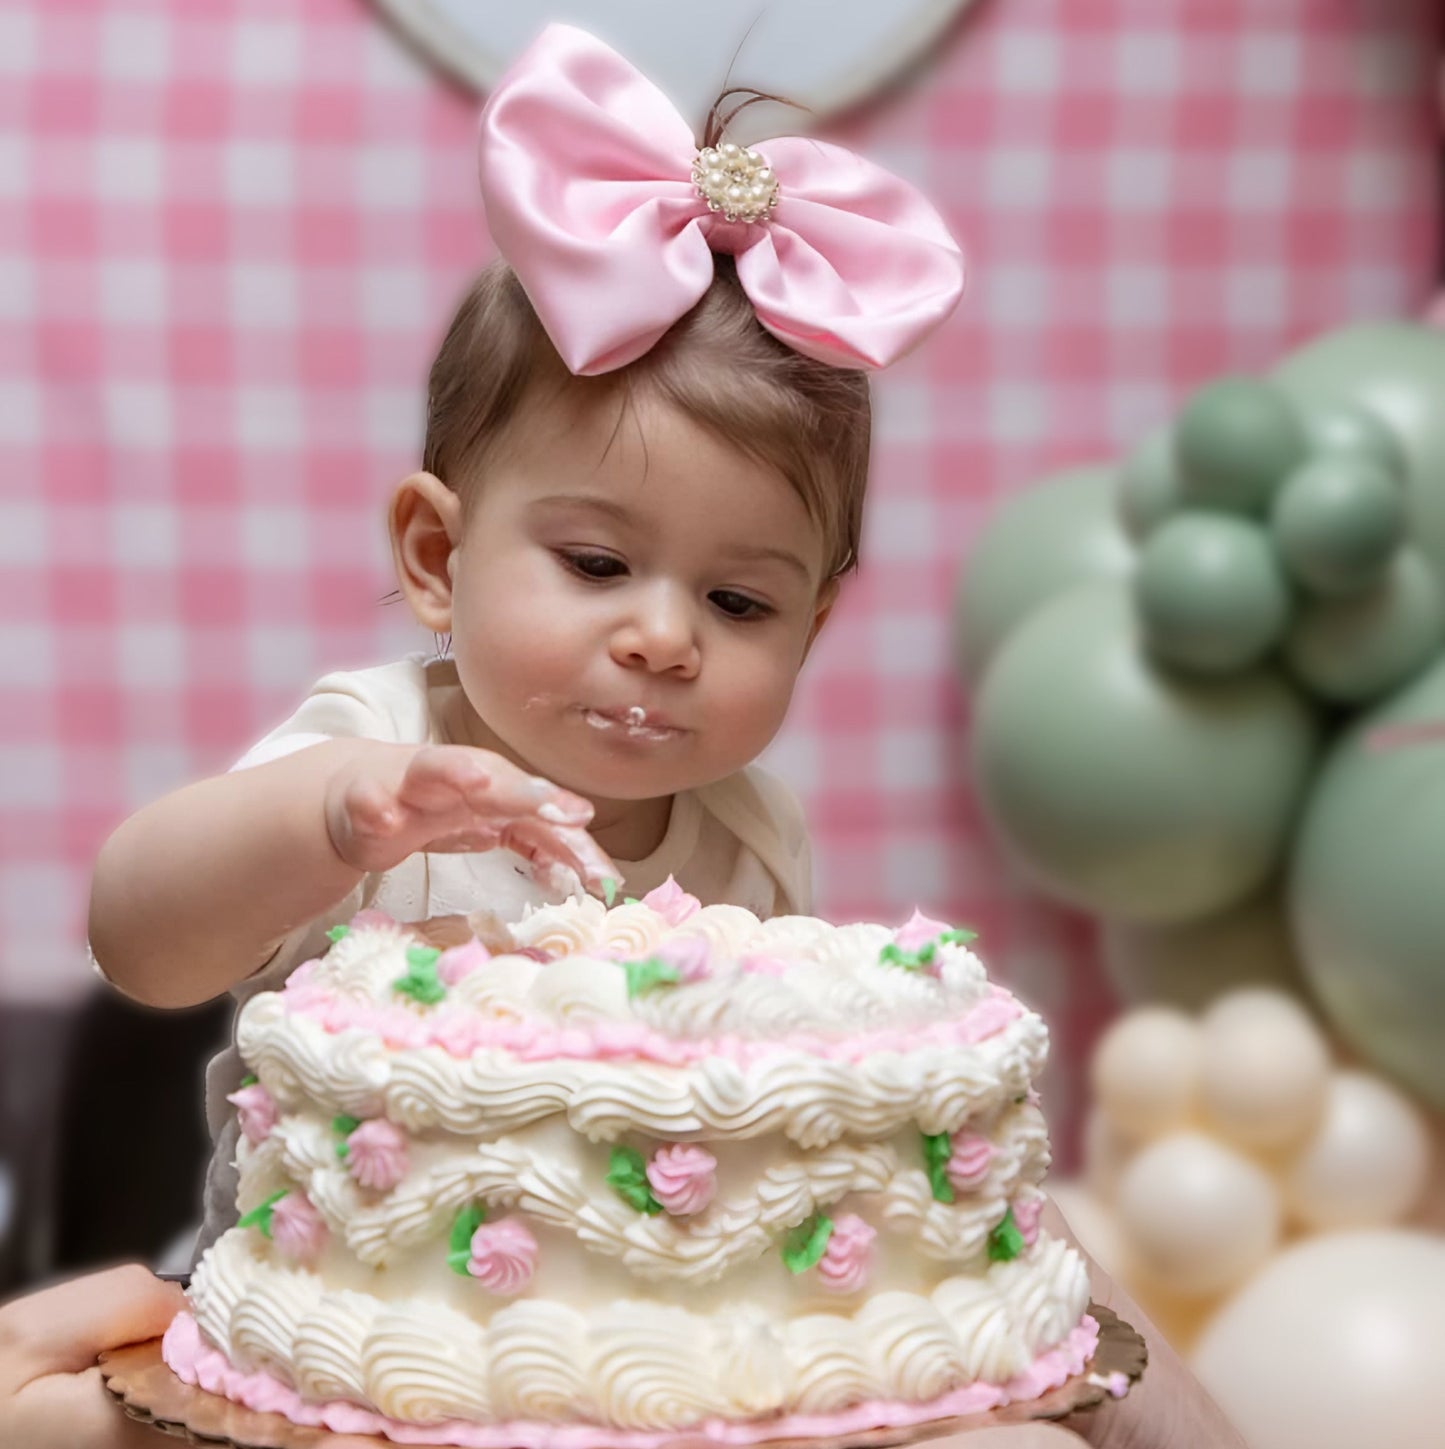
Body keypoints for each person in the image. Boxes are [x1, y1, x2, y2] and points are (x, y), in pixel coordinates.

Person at [0, 1202, 1247, 1447]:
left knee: (1051, 1261)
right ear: (437, 562)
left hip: (731, 1346)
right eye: (594, 563)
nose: (666, 634)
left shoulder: (748, 824)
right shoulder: (363, 755)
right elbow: (149, 927)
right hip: (387, 1343)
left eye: (739, 599)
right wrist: (330, 818)